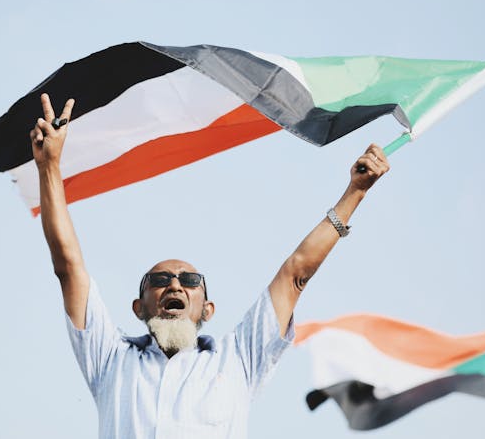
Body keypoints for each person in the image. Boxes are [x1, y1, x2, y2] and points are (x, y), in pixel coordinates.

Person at [30, 94, 390, 439]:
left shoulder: (237, 361)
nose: (175, 286)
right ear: (139, 308)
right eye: (160, 280)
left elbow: (296, 273)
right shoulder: (111, 361)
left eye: (190, 280)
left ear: (208, 308)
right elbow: (68, 266)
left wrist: (354, 193)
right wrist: (49, 167)